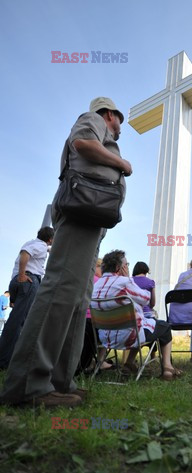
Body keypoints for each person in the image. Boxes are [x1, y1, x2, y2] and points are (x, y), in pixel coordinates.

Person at [0, 97, 132, 407]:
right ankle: (28, 385)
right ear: (110, 114)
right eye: (119, 123)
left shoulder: (104, 128)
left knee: (77, 299)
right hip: (82, 210)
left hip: (92, 217)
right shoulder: (94, 119)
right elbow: (82, 142)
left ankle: (60, 381)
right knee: (61, 290)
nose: (120, 130)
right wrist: (122, 165)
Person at [92, 250, 180, 381]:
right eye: (126, 264)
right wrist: (128, 279)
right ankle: (167, 368)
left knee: (140, 324)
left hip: (105, 338)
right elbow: (146, 299)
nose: (127, 267)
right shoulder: (124, 282)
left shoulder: (95, 285)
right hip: (129, 337)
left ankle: (129, 363)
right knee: (164, 327)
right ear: (118, 267)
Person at [0, 227, 54, 369]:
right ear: (49, 239)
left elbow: (30, 250)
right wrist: (22, 274)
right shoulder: (40, 247)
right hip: (28, 281)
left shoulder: (32, 242)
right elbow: (26, 254)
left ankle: (5, 357)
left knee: (15, 319)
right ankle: (5, 361)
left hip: (17, 283)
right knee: (18, 322)